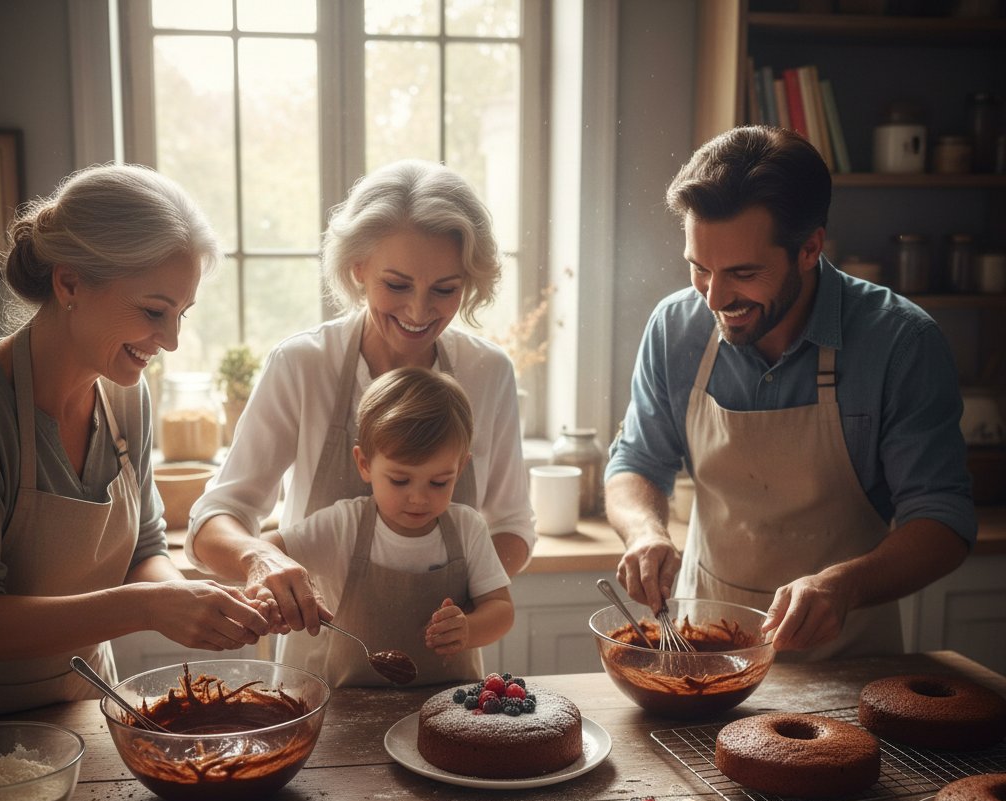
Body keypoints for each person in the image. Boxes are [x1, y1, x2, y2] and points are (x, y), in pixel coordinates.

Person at [605, 125, 976, 660]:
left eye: (742, 273)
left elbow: (944, 521)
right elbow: (636, 461)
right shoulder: (675, 328)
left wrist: (844, 586)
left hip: (850, 661)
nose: (714, 297)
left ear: (810, 249)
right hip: (706, 656)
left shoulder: (901, 343)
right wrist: (644, 532)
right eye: (698, 268)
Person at [187, 159, 535, 651]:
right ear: (358, 268)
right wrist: (258, 559)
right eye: (396, 285)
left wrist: (463, 597)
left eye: (445, 289)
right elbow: (215, 518)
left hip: (444, 654)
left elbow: (512, 526)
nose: (418, 311)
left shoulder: (488, 372)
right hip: (320, 654)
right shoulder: (304, 364)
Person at [0, 164, 271, 715]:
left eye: (182, 314)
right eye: (154, 311)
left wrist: (196, 602)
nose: (172, 340)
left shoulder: (124, 394)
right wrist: (149, 607)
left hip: (86, 708)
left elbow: (143, 548)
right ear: (69, 283)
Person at [253, 366, 513, 686]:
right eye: (400, 480)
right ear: (364, 464)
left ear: (460, 468)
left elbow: (501, 609)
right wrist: (267, 586)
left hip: (449, 706)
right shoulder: (343, 525)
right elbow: (267, 547)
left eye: (438, 482)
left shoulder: (467, 529)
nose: (418, 498)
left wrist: (470, 628)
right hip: (348, 707)